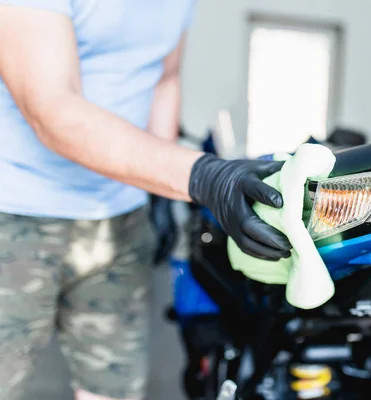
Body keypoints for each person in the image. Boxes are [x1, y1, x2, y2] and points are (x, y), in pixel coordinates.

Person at [0, 1, 292, 400]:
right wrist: (198, 175)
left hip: (120, 218)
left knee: (113, 389)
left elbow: (164, 79)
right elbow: (51, 109)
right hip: (16, 215)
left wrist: (158, 192)